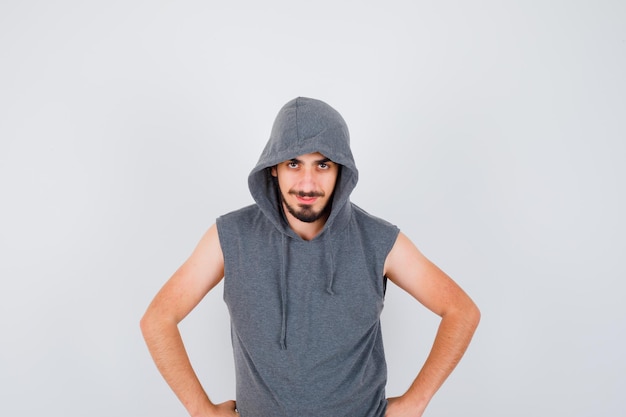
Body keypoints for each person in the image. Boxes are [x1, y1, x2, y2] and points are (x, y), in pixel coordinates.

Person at [140, 97, 480, 417]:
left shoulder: (379, 240)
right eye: (293, 163)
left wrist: (415, 402)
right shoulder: (230, 236)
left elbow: (461, 311)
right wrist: (202, 410)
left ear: (340, 170)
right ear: (273, 168)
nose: (307, 183)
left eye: (322, 164)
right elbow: (158, 318)